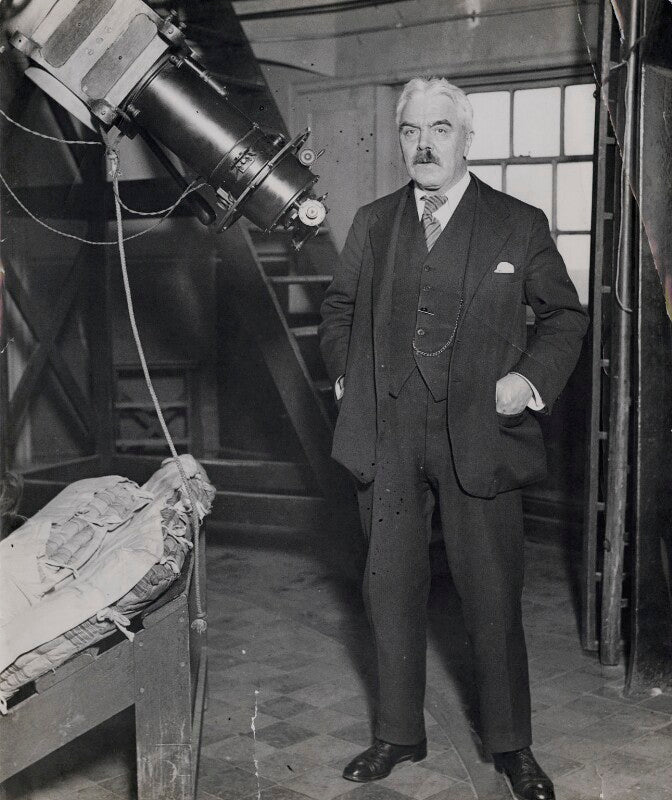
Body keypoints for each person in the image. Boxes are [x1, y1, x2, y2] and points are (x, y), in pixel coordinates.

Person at [318, 77, 588, 800]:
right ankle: (398, 733)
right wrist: (347, 377)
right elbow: (338, 309)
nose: (425, 144)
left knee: (492, 593)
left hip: (480, 435)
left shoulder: (517, 223)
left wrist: (527, 381)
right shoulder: (374, 222)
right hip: (389, 433)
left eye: (441, 129)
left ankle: (512, 747)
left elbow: (564, 317)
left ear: (468, 137)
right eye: (411, 130)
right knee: (389, 588)